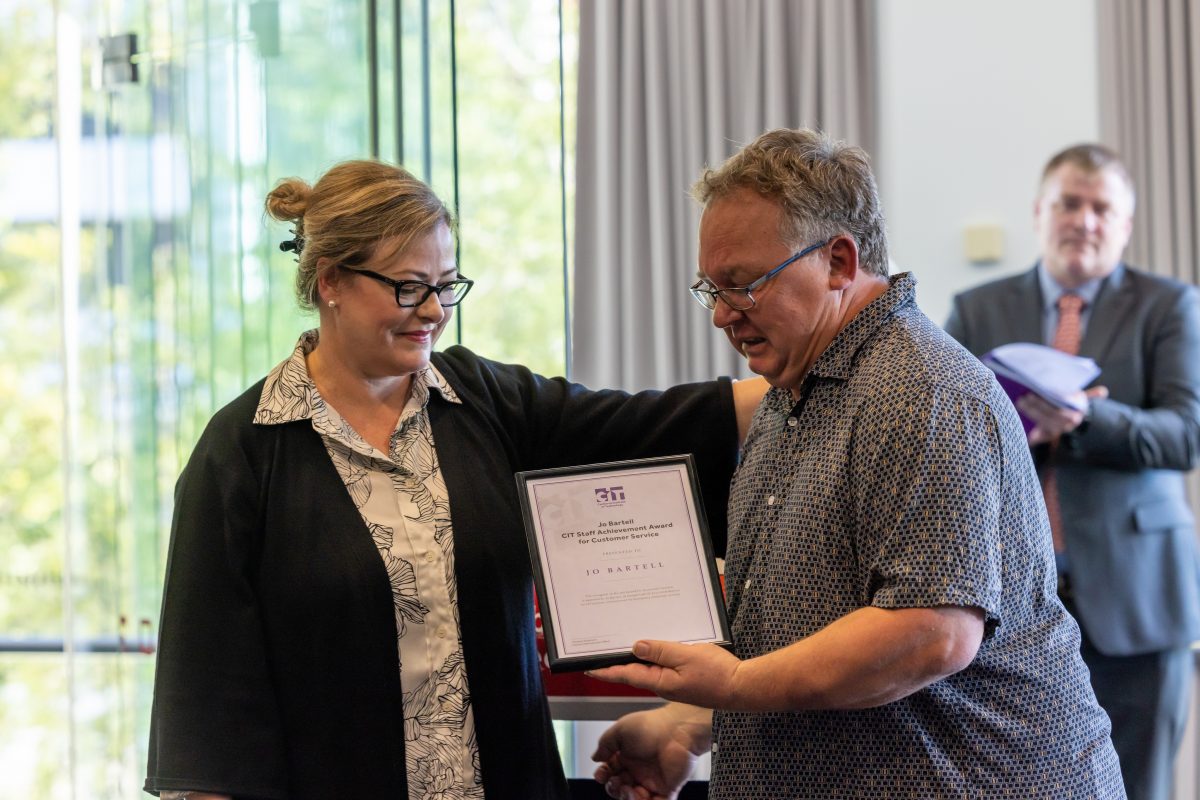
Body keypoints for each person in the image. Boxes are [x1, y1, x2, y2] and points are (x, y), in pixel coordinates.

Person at [143, 159, 766, 800]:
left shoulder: (485, 400)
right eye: (409, 287)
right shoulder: (243, 453)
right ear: (331, 280)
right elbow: (206, 712)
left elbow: (655, 424)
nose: (435, 311)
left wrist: (814, 364)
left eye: (447, 283)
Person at [587, 128, 1125, 799]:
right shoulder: (796, 390)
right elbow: (802, 621)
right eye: (711, 288)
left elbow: (930, 633)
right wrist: (689, 724)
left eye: (743, 284)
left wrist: (733, 687)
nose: (723, 314)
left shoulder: (920, 390)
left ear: (839, 262)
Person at [943, 143, 1200, 800]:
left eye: (1101, 208)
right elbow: (945, 443)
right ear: (1039, 212)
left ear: (1125, 225)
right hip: (1011, 600)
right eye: (1069, 203)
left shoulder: (1169, 306)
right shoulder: (977, 310)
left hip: (1137, 598)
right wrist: (1020, 428)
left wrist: (1086, 421)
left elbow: (1186, 433)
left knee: (1142, 786)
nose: (1084, 221)